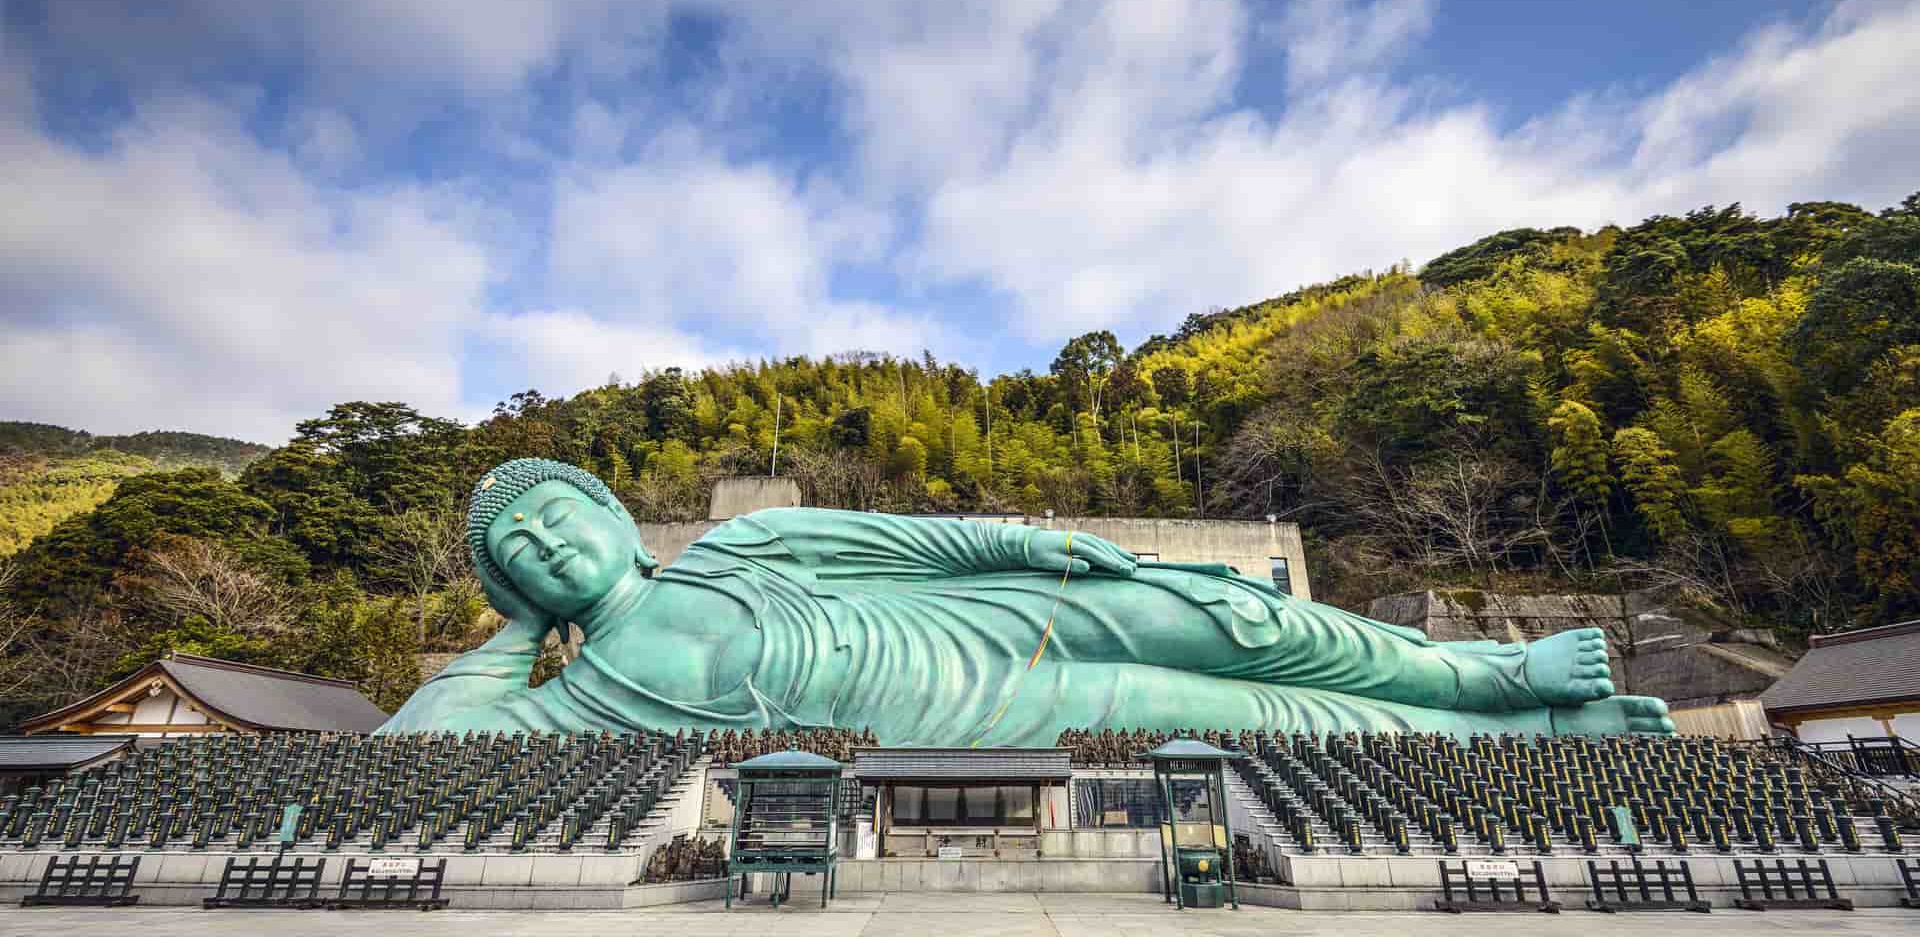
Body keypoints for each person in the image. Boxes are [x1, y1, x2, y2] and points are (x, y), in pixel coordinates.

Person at [377, 458, 1673, 742]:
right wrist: (516, 631)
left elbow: (926, 544)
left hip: (988, 618)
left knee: (1238, 621)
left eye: (559, 514)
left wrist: (1052, 550)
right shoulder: (582, 697)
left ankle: (1483, 674)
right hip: (976, 713)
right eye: (518, 550)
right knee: (1247, 720)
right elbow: (420, 749)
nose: (547, 544)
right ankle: (1514, 738)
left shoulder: (746, 540)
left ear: (613, 510)